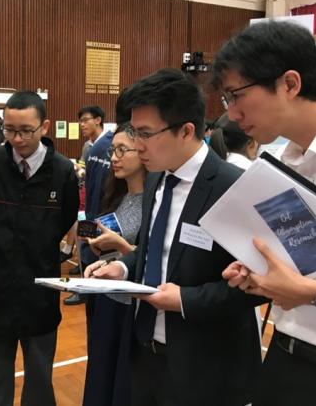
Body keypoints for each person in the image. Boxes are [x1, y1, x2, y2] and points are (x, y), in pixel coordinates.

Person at [89, 68, 263, 406]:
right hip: (145, 351)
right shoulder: (157, 178)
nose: (137, 146)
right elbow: (157, 250)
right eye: (133, 132)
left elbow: (258, 286)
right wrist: (123, 268)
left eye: (145, 133)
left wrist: (184, 300)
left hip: (205, 364)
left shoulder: (234, 187)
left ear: (186, 130)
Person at [213, 20, 316, 406]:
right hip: (286, 350)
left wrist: (308, 292)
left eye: (236, 95)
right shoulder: (276, 161)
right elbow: (302, 256)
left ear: (289, 84)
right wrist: (258, 271)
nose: (232, 113)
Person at [0, 90, 79, 406]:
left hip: (41, 292)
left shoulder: (63, 171)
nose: (17, 139)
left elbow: (67, 218)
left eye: (25, 131)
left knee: (39, 381)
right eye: (9, 130)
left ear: (44, 127)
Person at [82, 121, 146, 406]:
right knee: (101, 377)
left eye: (123, 150)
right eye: (113, 150)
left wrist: (120, 247)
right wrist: (99, 254)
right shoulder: (119, 195)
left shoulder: (156, 200)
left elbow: (152, 256)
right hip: (108, 297)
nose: (115, 158)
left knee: (125, 384)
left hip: (133, 305)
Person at [65, 107, 113, 308]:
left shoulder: (108, 144)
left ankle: (86, 290)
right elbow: (86, 171)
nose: (82, 125)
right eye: (80, 121)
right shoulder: (88, 146)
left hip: (102, 206)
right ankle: (84, 286)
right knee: (86, 244)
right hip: (88, 200)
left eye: (86, 120)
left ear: (98, 120)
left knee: (97, 247)